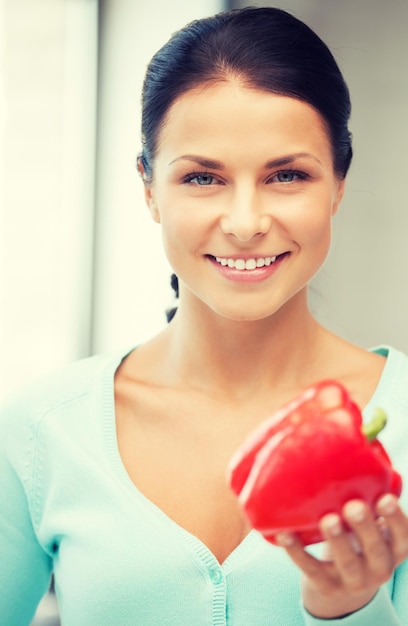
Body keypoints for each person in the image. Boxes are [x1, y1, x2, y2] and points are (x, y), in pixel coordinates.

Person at [1, 6, 408, 625]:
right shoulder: (41, 431)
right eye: (201, 178)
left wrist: (349, 610)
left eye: (288, 174)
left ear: (338, 184)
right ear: (147, 187)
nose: (245, 223)